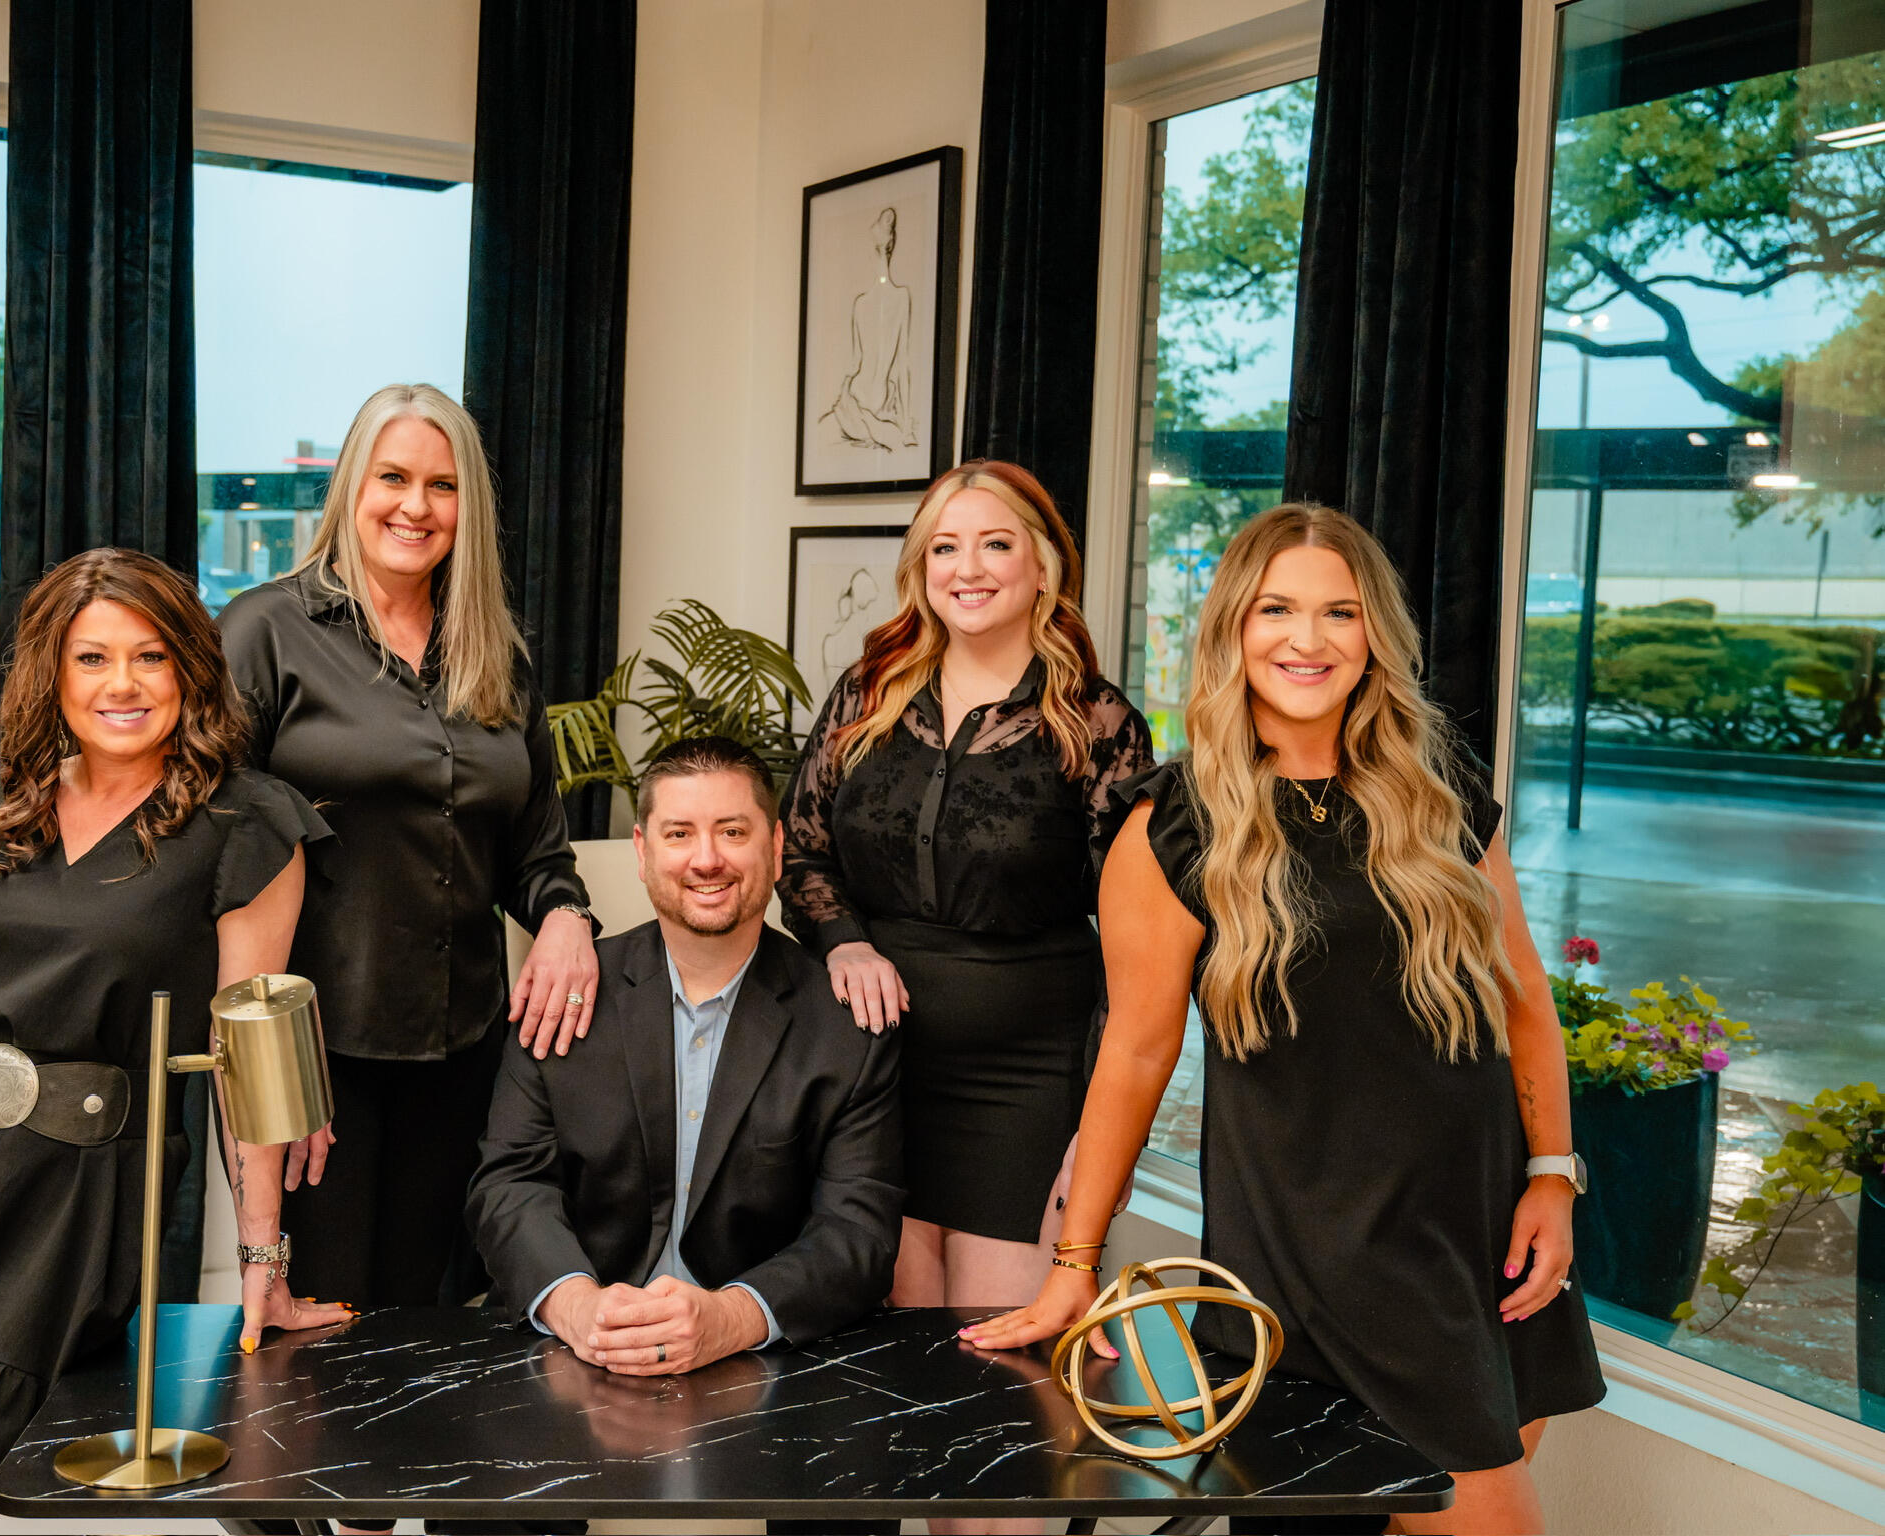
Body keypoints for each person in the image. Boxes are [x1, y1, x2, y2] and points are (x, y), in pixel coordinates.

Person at [962, 504, 1605, 1536]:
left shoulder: (1440, 794)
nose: (1308, 639)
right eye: (1276, 610)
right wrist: (1073, 1264)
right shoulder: (1170, 825)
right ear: (1232, 628)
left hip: (1480, 1227)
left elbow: (1520, 997)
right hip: (1324, 1248)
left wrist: (1552, 1177)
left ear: (1374, 635)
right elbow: (1134, 1053)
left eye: (1339, 612)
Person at [0, 549, 347, 1535]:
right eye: (92, 658)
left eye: (150, 656)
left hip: (74, 1191)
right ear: (52, 674)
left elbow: (244, 1059)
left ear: (190, 668)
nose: (121, 684)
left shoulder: (246, 827)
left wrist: (263, 1256)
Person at [220, 382, 600, 1310]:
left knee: (434, 1336)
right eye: (392, 478)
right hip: (319, 1058)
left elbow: (535, 849)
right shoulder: (264, 633)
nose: (415, 506)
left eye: (443, 485)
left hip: (466, 1057)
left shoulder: (496, 653)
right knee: (317, 1336)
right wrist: (272, 1081)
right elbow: (213, 865)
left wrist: (565, 918)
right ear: (351, 487)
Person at [777, 460, 1155, 1313]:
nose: (967, 568)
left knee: (1000, 1358)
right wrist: (846, 945)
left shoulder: (1095, 722)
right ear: (922, 569)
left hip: (1026, 1083)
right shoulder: (867, 695)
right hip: (869, 1071)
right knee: (885, 1351)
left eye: (995, 544)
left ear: (1042, 567)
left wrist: (1108, 1131)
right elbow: (800, 853)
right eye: (945, 548)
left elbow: (1141, 947)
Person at [468, 736, 902, 1372]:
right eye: (679, 834)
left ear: (776, 847)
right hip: (569, 1352)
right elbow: (509, 1184)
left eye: (732, 831)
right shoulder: (562, 994)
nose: (706, 860)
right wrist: (576, 1307)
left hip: (765, 1364)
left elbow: (858, 1231)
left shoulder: (846, 1024)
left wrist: (732, 1317)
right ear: (643, 852)